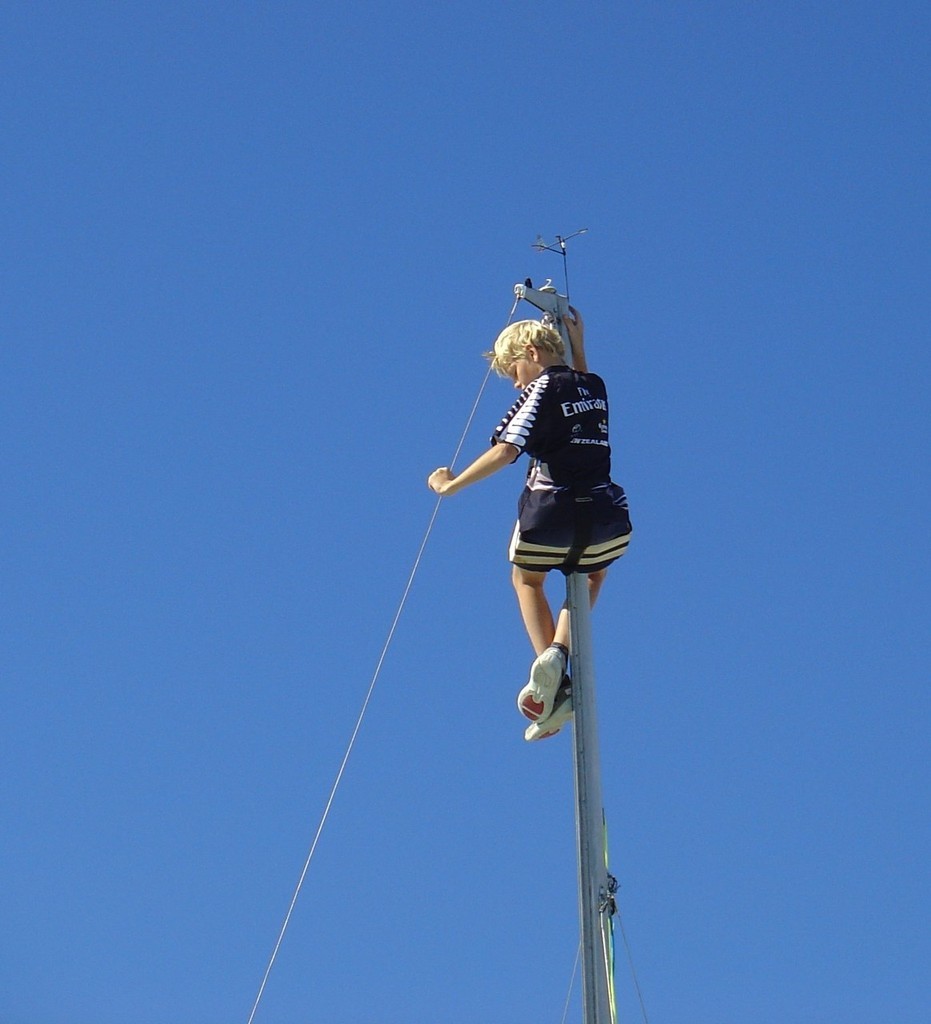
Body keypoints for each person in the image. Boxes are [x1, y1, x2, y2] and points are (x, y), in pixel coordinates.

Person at [427, 307, 631, 741]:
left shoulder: (538, 389)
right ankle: (560, 655)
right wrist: (578, 344)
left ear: (531, 352)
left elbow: (507, 449)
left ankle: (550, 664)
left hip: (550, 517)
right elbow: (579, 383)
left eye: (513, 370)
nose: (516, 382)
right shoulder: (594, 385)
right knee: (594, 572)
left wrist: (452, 484)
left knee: (526, 580)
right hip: (604, 521)